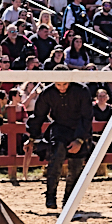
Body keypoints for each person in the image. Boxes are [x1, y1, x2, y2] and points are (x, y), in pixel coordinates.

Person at [29, 79, 92, 209]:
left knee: (76, 167)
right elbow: (39, 115)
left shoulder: (81, 91)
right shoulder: (48, 93)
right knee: (56, 159)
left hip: (79, 128)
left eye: (65, 84)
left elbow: (87, 117)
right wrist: (32, 137)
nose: (62, 87)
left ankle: (69, 200)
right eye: (58, 85)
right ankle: (50, 196)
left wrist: (79, 139)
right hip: (60, 128)